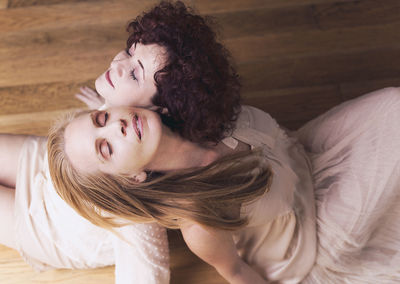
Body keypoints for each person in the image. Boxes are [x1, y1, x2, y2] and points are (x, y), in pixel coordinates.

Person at [48, 87, 400, 283]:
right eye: (106, 147)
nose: (117, 126)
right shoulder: (199, 223)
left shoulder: (178, 101)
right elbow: (234, 270)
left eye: (103, 118)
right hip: (312, 233)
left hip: (305, 155)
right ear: (132, 178)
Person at [0, 1, 241, 283]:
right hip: (61, 161)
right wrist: (104, 109)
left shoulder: (135, 221)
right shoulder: (134, 113)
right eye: (101, 117)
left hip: (44, 226)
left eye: (107, 146)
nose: (116, 123)